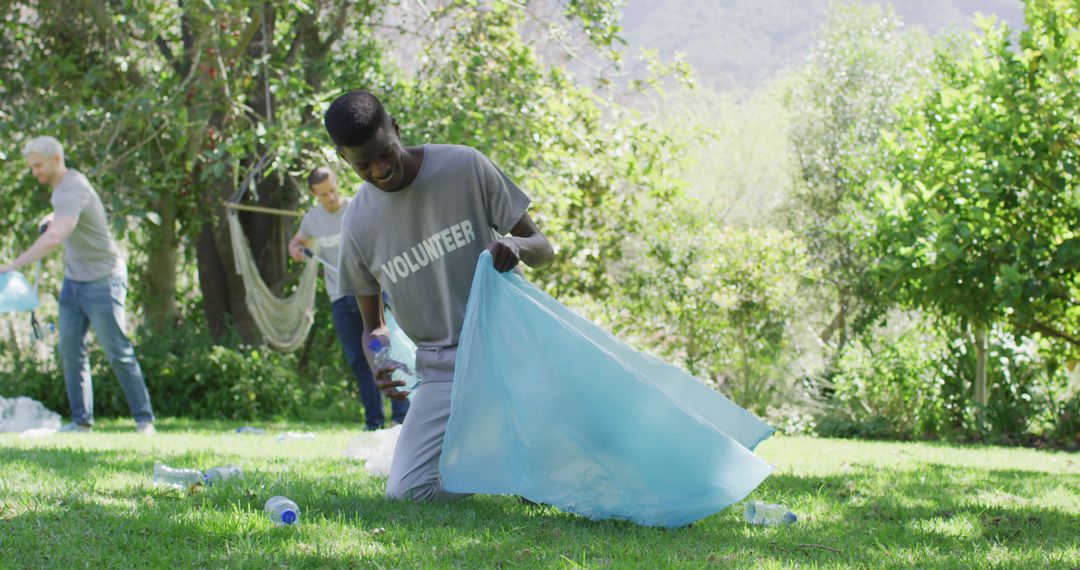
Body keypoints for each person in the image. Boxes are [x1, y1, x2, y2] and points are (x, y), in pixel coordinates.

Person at [324, 90, 555, 501]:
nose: (379, 170)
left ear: (395, 129)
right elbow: (373, 326)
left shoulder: (464, 165)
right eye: (363, 164)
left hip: (512, 353)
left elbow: (543, 249)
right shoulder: (357, 225)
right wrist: (379, 354)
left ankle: (530, 458)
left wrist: (515, 247)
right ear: (344, 160)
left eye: (385, 153)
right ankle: (504, 459)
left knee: (555, 485)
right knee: (408, 493)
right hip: (443, 370)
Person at [0, 136, 155, 434]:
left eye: (38, 166)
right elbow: (66, 219)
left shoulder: (74, 188)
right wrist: (51, 216)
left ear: (56, 159)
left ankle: (144, 420)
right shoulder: (62, 190)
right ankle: (81, 422)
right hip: (74, 282)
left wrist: (12, 265)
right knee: (70, 350)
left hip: (103, 280)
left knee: (118, 351)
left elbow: (56, 236)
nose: (35, 172)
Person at [287, 166, 409, 431]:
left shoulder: (357, 207)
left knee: (389, 351)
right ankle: (373, 423)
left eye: (332, 190)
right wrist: (296, 249)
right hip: (341, 298)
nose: (330, 197)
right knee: (359, 360)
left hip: (373, 292)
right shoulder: (312, 220)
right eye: (323, 195)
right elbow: (296, 243)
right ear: (314, 195)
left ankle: (402, 418)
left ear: (337, 184)